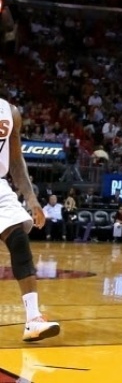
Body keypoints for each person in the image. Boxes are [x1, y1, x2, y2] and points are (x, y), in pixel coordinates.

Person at [0, 97, 60, 341]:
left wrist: (32, 199)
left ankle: (33, 320)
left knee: (19, 240)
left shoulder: (9, 111)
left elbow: (15, 160)